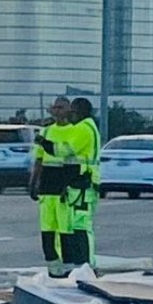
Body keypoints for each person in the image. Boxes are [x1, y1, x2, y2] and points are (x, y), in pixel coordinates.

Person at [58, 97, 102, 270]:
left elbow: (65, 150)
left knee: (82, 226)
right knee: (77, 225)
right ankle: (81, 264)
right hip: (81, 182)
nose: (71, 115)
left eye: (73, 112)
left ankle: (86, 265)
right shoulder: (88, 127)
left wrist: (45, 143)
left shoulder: (83, 128)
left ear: (81, 112)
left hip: (83, 183)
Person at [33, 96, 75, 278]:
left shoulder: (75, 131)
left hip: (63, 183)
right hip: (46, 185)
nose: (57, 111)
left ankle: (68, 268)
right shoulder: (46, 131)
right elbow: (39, 159)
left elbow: (73, 159)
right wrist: (34, 182)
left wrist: (68, 185)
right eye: (55, 108)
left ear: (69, 110)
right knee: (47, 229)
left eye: (61, 108)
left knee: (65, 228)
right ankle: (52, 269)